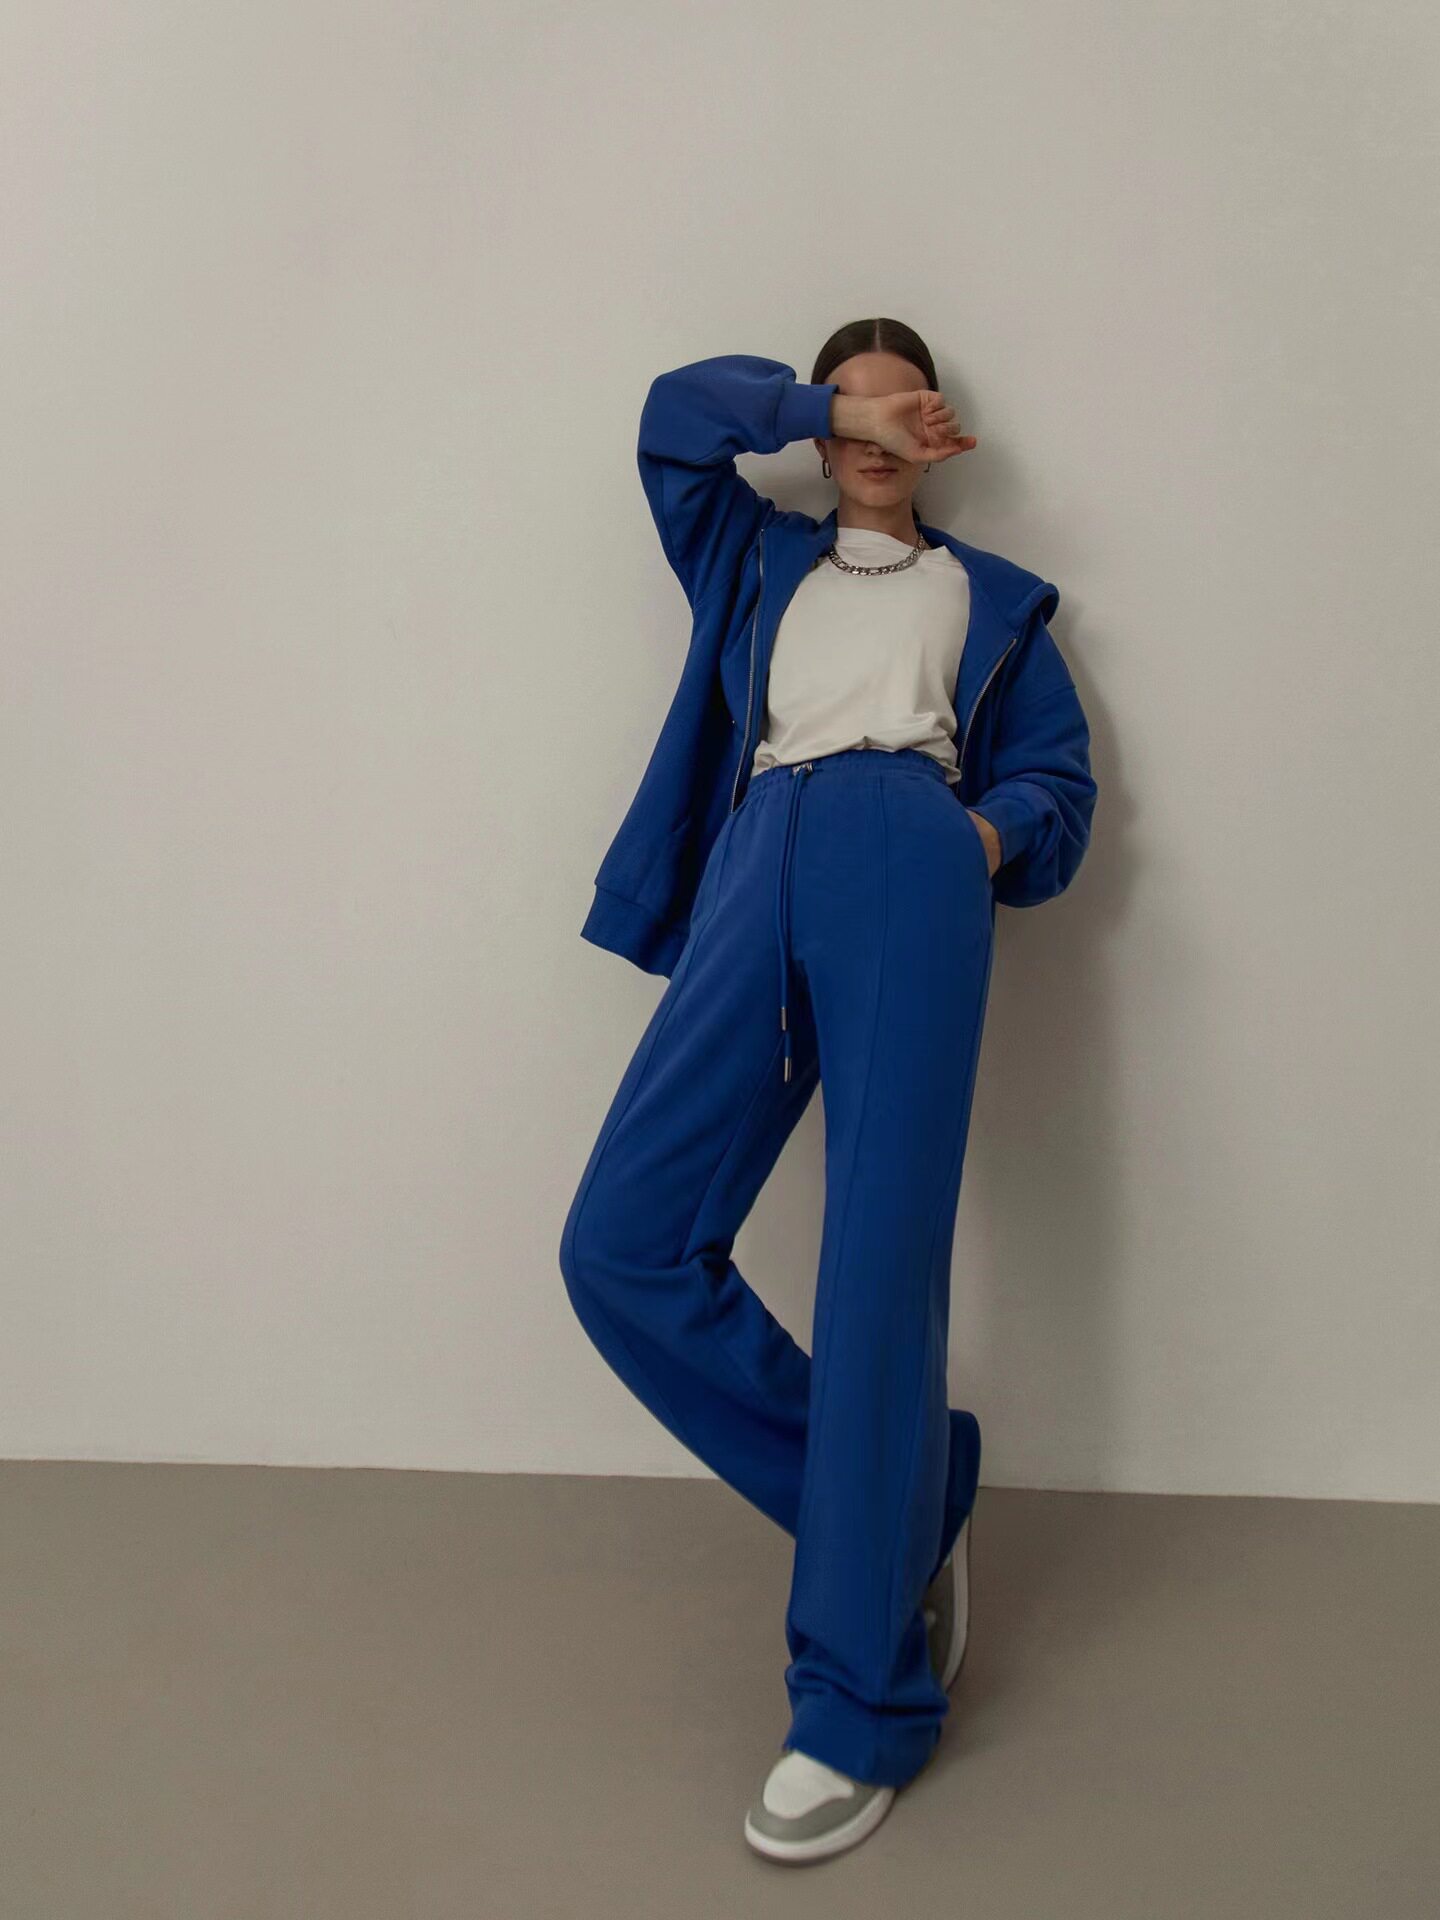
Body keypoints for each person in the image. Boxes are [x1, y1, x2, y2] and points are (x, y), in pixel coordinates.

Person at [559, 318, 1097, 1863]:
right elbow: (674, 418)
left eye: (899, 404)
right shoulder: (753, 554)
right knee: (624, 1247)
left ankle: (859, 1704)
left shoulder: (991, 599)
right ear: (820, 429)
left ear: (939, 426)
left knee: (875, 1275)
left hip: (911, 860)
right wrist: (814, 405)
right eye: (847, 409)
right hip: (759, 858)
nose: (872, 431)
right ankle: (905, 1496)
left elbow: (1057, 789)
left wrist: (978, 837)